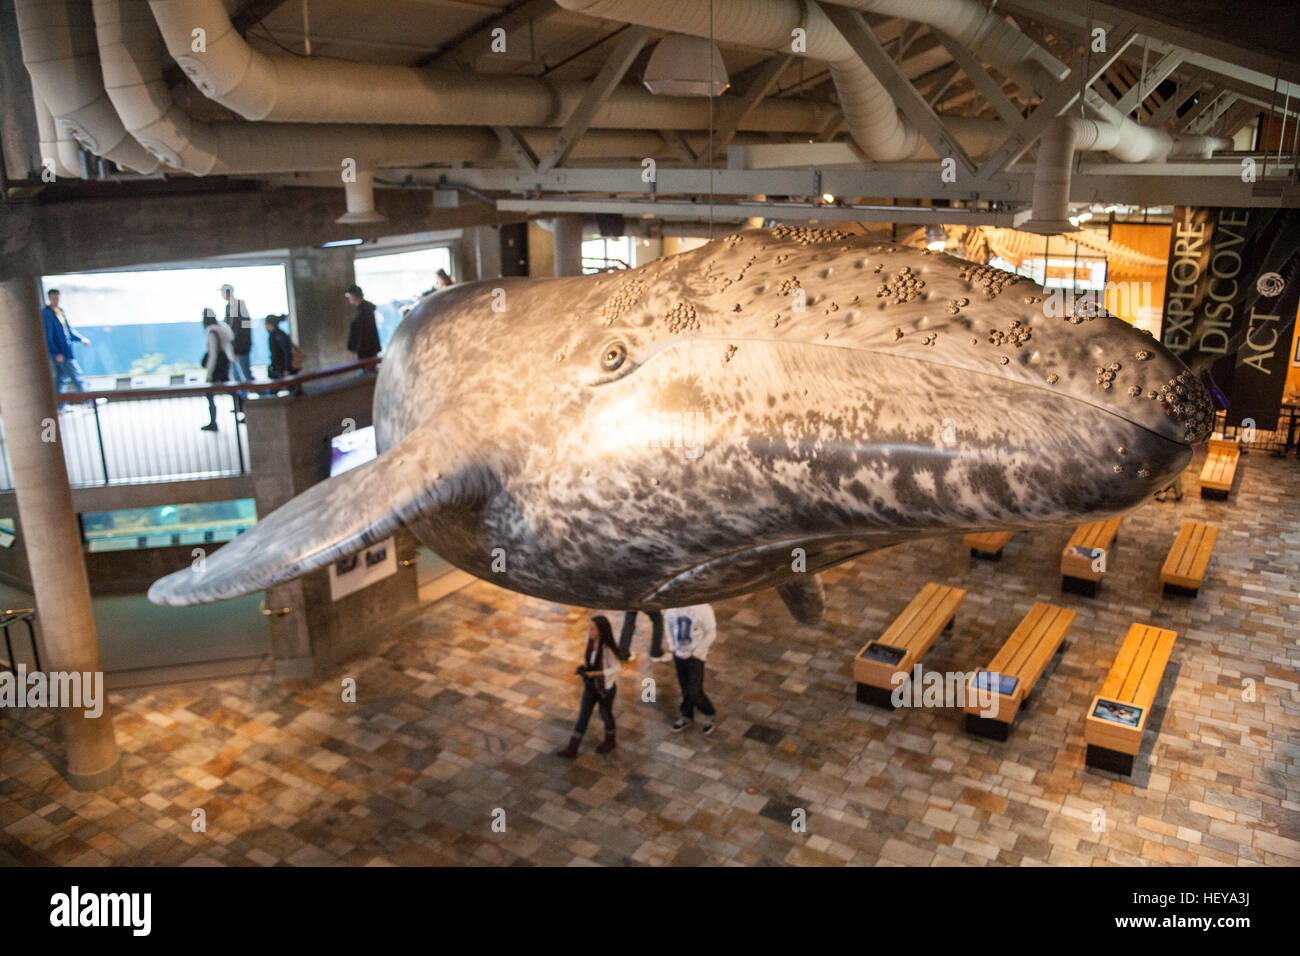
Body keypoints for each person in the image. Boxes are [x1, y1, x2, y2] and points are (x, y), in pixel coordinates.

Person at [557, 614, 632, 758]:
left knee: (605, 714)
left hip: (605, 689)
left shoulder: (607, 649)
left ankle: (610, 741)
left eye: (592, 629)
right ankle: (573, 748)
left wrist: (597, 673)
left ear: (600, 631)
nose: (589, 631)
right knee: (583, 716)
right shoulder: (590, 641)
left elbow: (616, 669)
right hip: (591, 687)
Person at [665, 604, 718, 734]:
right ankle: (686, 715)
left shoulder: (703, 609)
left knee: (694, 690)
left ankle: (709, 712)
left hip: (696, 657)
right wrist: (672, 646)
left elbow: (711, 632)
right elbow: (668, 625)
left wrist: (698, 652)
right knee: (684, 687)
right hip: (679, 654)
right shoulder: (672, 607)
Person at [42, 289, 90, 392]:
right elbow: (48, 335)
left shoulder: (59, 311)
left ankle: (60, 405)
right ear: (49, 298)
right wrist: (55, 353)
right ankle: (88, 401)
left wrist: (81, 338)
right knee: (76, 376)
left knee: (60, 379)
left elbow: (68, 330)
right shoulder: (46, 313)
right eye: (54, 298)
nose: (56, 300)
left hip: (66, 351)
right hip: (61, 353)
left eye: (57, 298)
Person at [200, 309, 236, 432]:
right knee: (232, 390)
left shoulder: (212, 332)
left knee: (210, 393)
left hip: (217, 367)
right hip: (225, 363)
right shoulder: (223, 327)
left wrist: (209, 373)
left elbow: (213, 355)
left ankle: (213, 422)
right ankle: (242, 409)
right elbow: (229, 346)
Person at [219, 283, 253, 383]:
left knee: (246, 373)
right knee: (236, 374)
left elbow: (246, 325)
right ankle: (242, 397)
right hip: (232, 346)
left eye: (222, 292)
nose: (222, 295)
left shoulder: (240, 305)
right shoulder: (228, 308)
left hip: (241, 346)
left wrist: (244, 343)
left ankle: (263, 395)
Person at [344, 283, 381, 361]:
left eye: (349, 296)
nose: (348, 298)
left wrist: (359, 351)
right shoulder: (364, 309)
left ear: (354, 295)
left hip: (366, 351)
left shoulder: (364, 310)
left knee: (368, 370)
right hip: (368, 349)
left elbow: (363, 332)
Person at [265, 314, 299, 379]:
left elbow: (287, 352)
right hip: (277, 368)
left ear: (271, 324)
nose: (265, 326)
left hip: (282, 369)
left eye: (266, 323)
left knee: (290, 386)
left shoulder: (279, 335)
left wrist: (287, 369)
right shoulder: (273, 335)